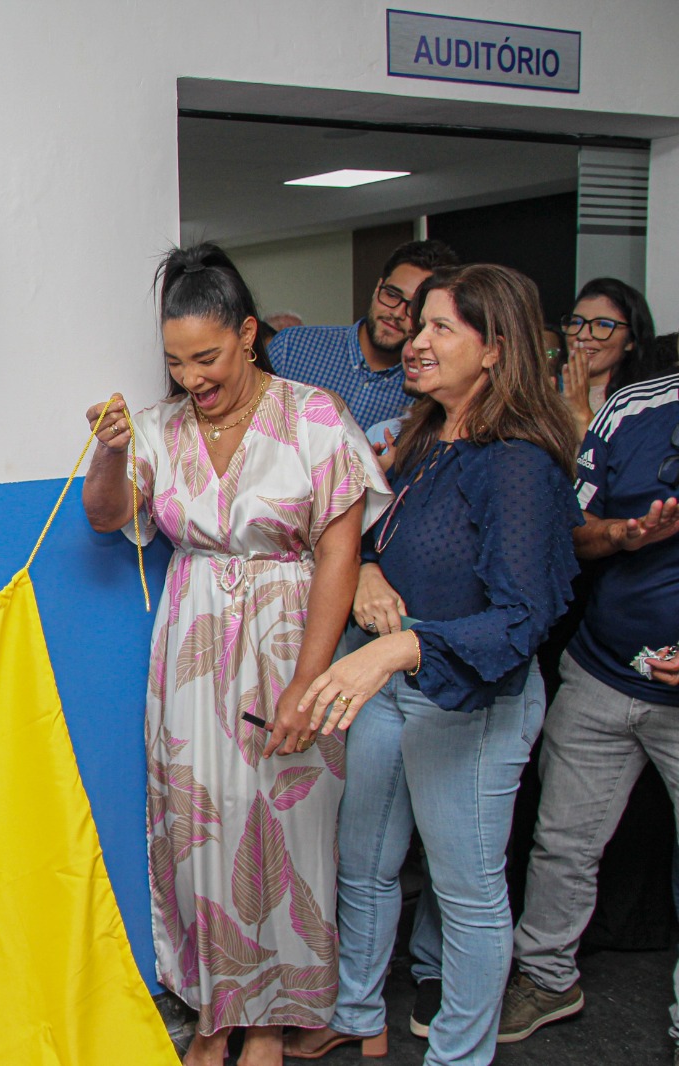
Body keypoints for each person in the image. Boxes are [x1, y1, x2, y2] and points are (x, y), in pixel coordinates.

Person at [82, 243, 389, 1066]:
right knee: (196, 823)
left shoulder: (315, 415)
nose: (193, 379)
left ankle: (270, 1019)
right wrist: (111, 450)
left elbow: (338, 553)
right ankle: (216, 1010)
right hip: (191, 643)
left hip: (291, 634)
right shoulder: (159, 426)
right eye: (177, 362)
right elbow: (107, 517)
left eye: (208, 358)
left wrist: (307, 680)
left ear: (248, 334)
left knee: (285, 826)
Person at [285, 264, 582, 1065]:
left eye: (440, 328)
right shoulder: (425, 434)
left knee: (467, 894)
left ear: (495, 349)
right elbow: (383, 533)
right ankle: (355, 1014)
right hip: (391, 683)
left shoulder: (517, 460)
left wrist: (394, 647)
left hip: (469, 698)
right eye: (416, 327)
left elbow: (521, 620)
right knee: (366, 866)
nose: (416, 343)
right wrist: (371, 573)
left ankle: (460, 1054)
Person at [498, 368, 679, 1056]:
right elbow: (570, 531)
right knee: (563, 843)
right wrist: (625, 537)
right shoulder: (636, 409)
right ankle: (547, 978)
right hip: (604, 672)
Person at [268, 240, 460, 434]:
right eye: (392, 295)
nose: (398, 313)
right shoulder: (291, 346)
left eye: (414, 306)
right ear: (378, 288)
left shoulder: (424, 385)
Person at [558, 277, 665, 440]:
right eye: (576, 322)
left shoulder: (646, 407)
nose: (582, 335)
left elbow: (617, 463)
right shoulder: (549, 390)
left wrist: (581, 413)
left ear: (630, 340)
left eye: (602, 325)